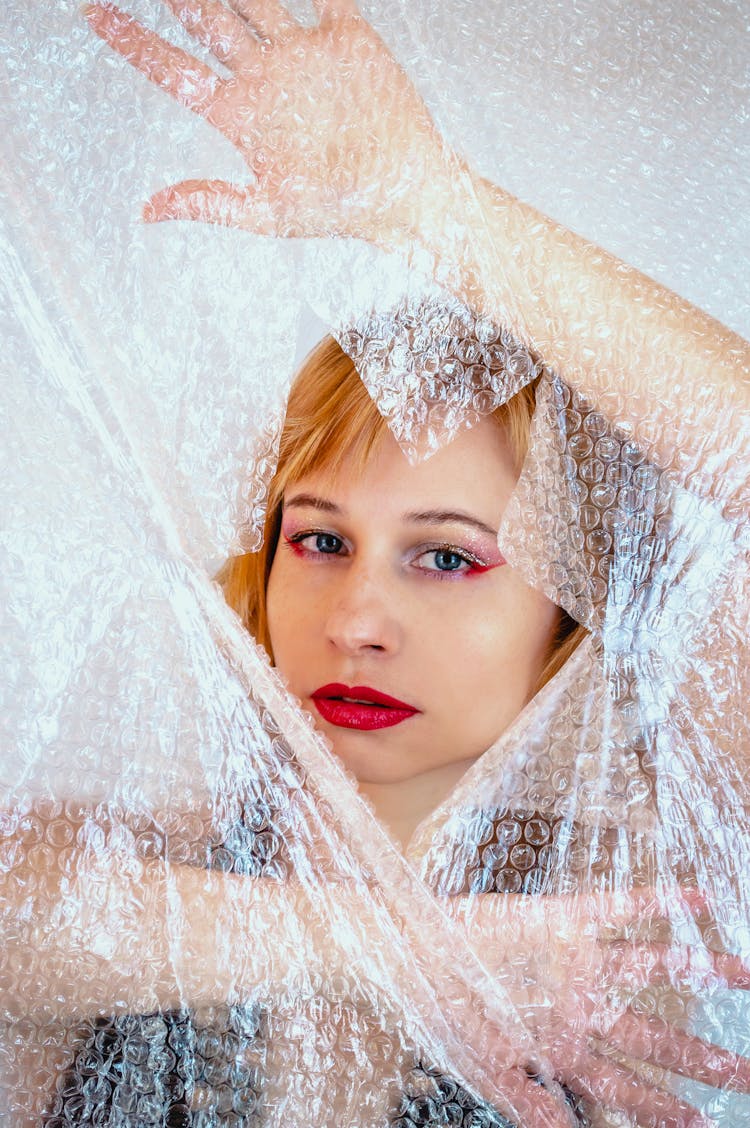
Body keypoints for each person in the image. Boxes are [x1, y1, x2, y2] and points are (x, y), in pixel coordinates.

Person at [2, 0, 747, 1124]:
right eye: (320, 539)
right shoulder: (153, 858)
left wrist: (426, 202)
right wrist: (399, 951)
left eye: (446, 558)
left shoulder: (627, 913)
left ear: (577, 607)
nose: (355, 616)